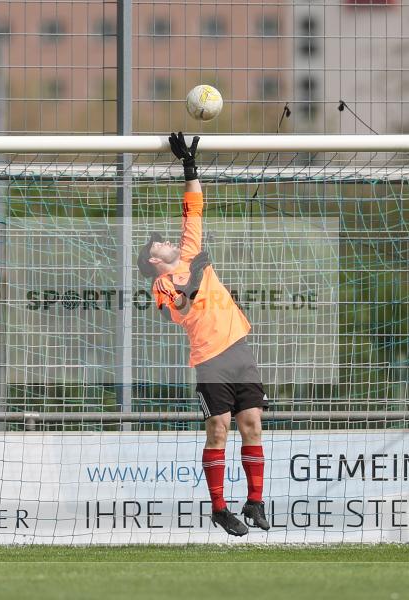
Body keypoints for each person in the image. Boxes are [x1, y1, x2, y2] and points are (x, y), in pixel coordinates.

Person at [136, 132, 270, 536]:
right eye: (157, 243)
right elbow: (181, 310)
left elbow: (193, 209)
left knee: (252, 424)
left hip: (239, 350)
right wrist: (192, 279)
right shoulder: (162, 286)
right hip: (210, 359)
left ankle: (255, 501)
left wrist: (189, 166)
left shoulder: (191, 253)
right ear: (155, 260)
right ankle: (218, 507)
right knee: (219, 429)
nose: (165, 240)